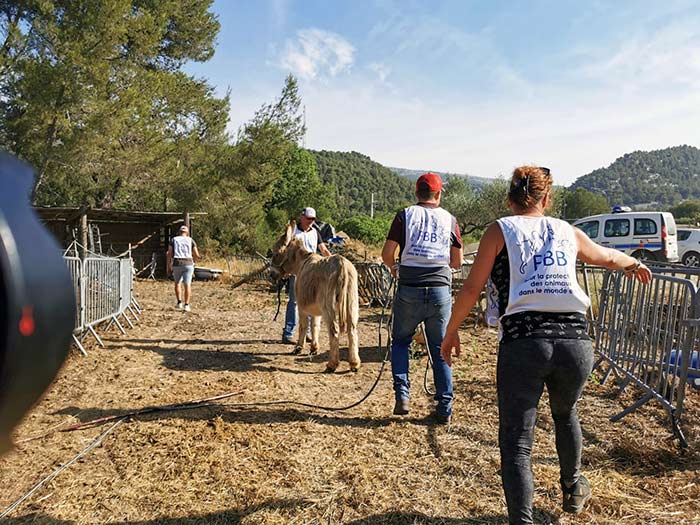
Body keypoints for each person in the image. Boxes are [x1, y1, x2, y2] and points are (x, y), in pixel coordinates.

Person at [440, 166, 652, 524]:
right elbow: (607, 256)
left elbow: (473, 287)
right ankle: (572, 486)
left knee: (517, 441)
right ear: (546, 198)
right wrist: (635, 263)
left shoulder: (500, 230)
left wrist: (450, 331)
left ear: (509, 199)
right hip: (575, 343)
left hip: (525, 343)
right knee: (565, 413)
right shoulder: (567, 231)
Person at [381, 172, 463, 423]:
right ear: (438, 194)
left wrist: (396, 268)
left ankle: (403, 394)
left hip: (409, 287)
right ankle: (444, 408)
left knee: (401, 341)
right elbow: (457, 262)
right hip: (439, 290)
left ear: (417, 193)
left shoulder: (405, 215)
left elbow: (387, 254)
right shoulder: (450, 220)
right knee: (440, 348)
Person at [282, 207, 331, 344]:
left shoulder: (315, 232)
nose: (311, 221)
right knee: (294, 302)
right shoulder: (293, 232)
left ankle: (308, 333)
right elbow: (285, 250)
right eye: (309, 219)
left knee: (310, 301)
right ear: (302, 217)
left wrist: (331, 260)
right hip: (296, 271)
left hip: (312, 271)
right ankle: (288, 332)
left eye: (313, 219)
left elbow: (323, 249)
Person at [166, 224, 200, 312]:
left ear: (179, 232)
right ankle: (187, 305)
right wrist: (195, 261)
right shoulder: (191, 240)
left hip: (177, 263)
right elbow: (196, 254)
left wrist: (168, 266)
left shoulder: (174, 240)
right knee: (187, 284)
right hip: (188, 263)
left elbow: (169, 253)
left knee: (177, 283)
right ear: (187, 232)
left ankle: (179, 302)